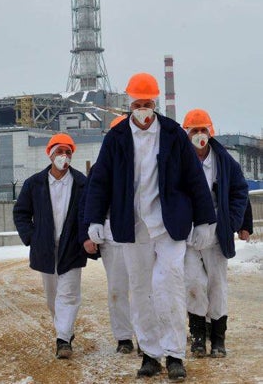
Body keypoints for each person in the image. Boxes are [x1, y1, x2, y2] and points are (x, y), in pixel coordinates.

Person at [83, 73, 216, 381]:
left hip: (169, 225)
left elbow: (195, 178)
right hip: (132, 226)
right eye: (138, 104)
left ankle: (174, 355)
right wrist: (92, 219)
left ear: (155, 103)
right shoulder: (116, 139)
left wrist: (205, 220)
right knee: (141, 290)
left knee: (168, 286)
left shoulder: (171, 134)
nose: (143, 109)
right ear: (130, 104)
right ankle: (151, 354)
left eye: (148, 104)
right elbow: (100, 181)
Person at [13, 133, 87, 359]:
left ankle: (62, 340)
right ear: (50, 154)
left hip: (71, 246)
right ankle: (65, 330)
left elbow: (88, 212)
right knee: (52, 296)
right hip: (45, 246)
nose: (63, 156)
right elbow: (21, 213)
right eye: (59, 151)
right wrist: (32, 237)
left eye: (68, 152)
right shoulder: (34, 184)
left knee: (69, 293)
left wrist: (87, 237)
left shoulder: (82, 183)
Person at [182, 109, 248, 358]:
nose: (199, 135)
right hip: (188, 236)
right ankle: (198, 336)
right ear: (186, 133)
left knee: (217, 285)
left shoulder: (225, 161)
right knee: (194, 283)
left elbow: (239, 192)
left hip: (216, 233)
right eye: (194, 130)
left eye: (203, 130)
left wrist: (231, 222)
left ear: (211, 132)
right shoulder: (179, 161)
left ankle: (218, 338)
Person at [82, 115, 136, 356]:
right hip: (113, 236)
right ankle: (124, 337)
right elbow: (89, 200)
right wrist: (89, 232)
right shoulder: (100, 168)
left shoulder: (146, 162)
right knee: (117, 289)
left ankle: (148, 336)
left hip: (143, 234)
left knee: (147, 288)